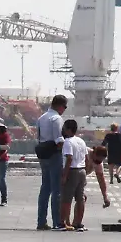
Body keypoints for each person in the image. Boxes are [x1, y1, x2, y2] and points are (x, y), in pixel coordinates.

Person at [35, 94, 69, 230]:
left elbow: (38, 137)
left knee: (45, 188)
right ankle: (57, 222)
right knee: (57, 190)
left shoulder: (41, 118)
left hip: (43, 154)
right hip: (54, 155)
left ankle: (41, 221)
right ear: (60, 106)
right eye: (65, 107)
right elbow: (59, 140)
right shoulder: (57, 119)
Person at [59, 119, 89, 231]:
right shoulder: (81, 141)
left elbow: (69, 158)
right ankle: (78, 223)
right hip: (82, 170)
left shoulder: (68, 142)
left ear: (68, 129)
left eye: (64, 128)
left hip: (72, 171)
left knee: (66, 198)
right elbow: (86, 158)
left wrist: (64, 175)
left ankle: (62, 223)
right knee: (80, 199)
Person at [87, 145, 112, 209]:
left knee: (81, 199)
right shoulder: (86, 152)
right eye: (97, 160)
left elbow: (101, 180)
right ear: (94, 153)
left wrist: (105, 197)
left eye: (100, 161)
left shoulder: (99, 164)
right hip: (70, 173)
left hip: (80, 179)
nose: (98, 162)